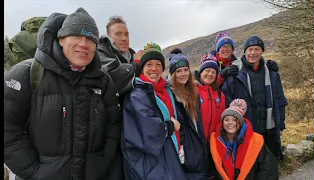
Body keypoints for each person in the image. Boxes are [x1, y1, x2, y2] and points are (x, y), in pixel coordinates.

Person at [4, 7, 122, 180]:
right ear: (61, 39)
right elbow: (8, 129)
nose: (83, 43)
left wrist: (101, 161)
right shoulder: (26, 74)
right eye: (76, 36)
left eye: (90, 38)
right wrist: (34, 172)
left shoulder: (103, 81)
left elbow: (113, 125)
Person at [121, 42, 186, 180]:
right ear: (142, 68)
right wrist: (171, 125)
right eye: (149, 64)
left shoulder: (166, 91)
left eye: (158, 64)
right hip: (151, 165)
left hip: (168, 156)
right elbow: (149, 131)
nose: (154, 69)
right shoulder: (136, 96)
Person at [221, 35, 288, 160]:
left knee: (270, 162)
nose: (253, 53)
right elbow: (227, 102)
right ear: (245, 51)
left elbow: (280, 100)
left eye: (257, 49)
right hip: (245, 128)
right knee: (249, 162)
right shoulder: (235, 74)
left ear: (262, 51)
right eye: (250, 49)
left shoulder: (272, 73)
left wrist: (281, 124)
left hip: (269, 128)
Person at [210, 99, 279, 180]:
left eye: (234, 120)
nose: (230, 123)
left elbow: (267, 168)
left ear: (240, 123)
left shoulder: (255, 141)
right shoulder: (214, 141)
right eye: (226, 119)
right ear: (222, 122)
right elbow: (212, 171)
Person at [168, 50, 207, 180]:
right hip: (185, 150)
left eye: (185, 70)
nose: (183, 74)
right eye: (178, 71)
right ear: (172, 74)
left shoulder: (193, 92)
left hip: (198, 145)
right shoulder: (171, 95)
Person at [194, 53, 226, 179]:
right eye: (207, 70)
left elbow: (222, 118)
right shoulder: (192, 90)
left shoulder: (219, 94)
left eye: (214, 71)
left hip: (213, 142)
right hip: (196, 142)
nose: (210, 74)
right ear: (201, 71)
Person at [98, 15, 143, 103]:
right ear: (109, 37)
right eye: (118, 34)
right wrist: (137, 63)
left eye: (126, 34)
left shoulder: (131, 55)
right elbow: (114, 79)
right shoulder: (101, 52)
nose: (124, 38)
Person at [211, 32, 279, 86]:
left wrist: (268, 64)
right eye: (222, 46)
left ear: (232, 49)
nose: (226, 49)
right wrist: (221, 76)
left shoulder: (237, 63)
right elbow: (207, 86)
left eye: (229, 46)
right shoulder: (210, 63)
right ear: (218, 50)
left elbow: (252, 65)